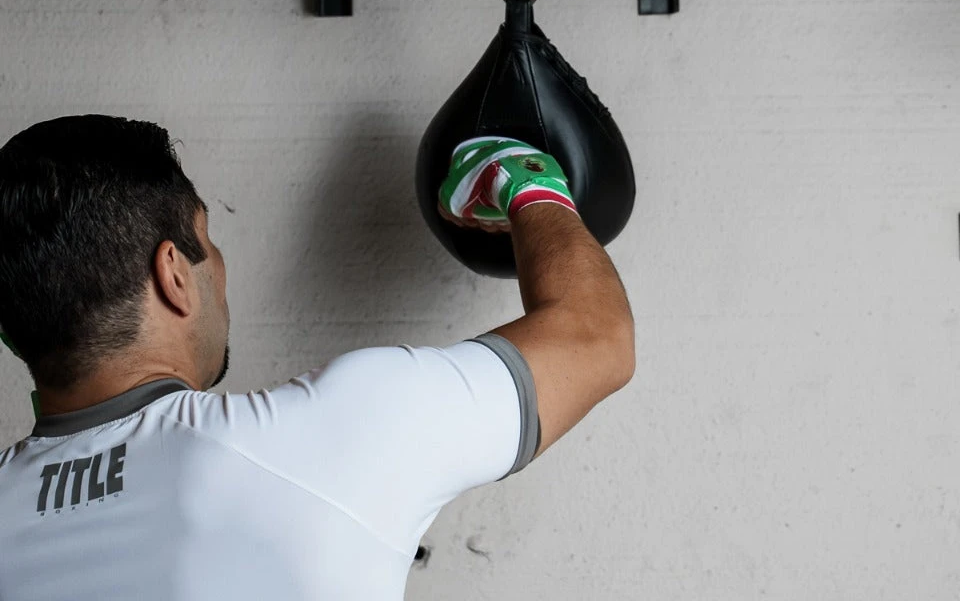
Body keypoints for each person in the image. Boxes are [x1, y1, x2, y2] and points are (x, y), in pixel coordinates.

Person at [0, 115, 635, 600]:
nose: (219, 267)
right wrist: (526, 182)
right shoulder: (321, 440)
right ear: (174, 275)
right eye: (207, 241)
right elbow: (596, 338)